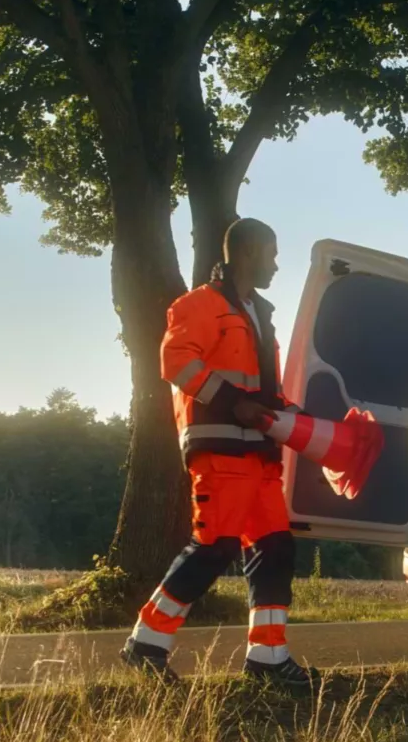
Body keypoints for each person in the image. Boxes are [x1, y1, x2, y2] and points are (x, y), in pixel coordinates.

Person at [120, 218, 314, 687]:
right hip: (221, 446)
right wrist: (237, 403)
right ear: (246, 253)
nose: (275, 263)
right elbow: (176, 362)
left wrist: (293, 419)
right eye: (271, 253)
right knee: (214, 546)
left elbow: (266, 389)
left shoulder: (259, 314)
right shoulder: (198, 305)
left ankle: (268, 658)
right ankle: (146, 645)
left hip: (260, 454)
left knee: (274, 548)